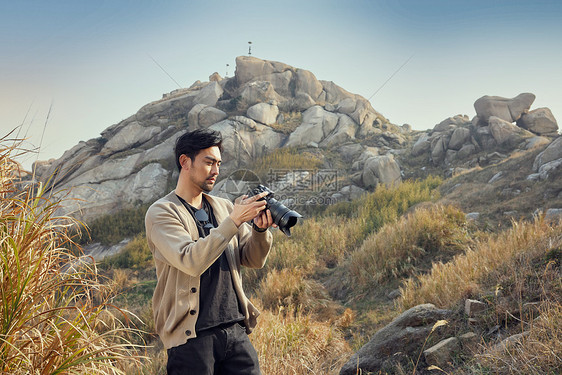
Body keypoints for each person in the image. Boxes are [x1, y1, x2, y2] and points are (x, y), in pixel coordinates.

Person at [145, 128, 275, 374]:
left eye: (218, 163)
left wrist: (259, 231)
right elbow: (190, 260)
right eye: (209, 162)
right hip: (192, 339)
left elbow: (253, 259)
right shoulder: (162, 212)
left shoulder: (224, 207)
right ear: (185, 161)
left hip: (235, 330)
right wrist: (234, 221)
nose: (216, 170)